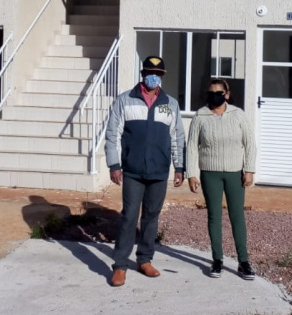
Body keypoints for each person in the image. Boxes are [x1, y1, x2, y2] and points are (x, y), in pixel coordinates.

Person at [104, 55, 186, 287]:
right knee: (129, 217)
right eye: (150, 73)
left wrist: (179, 167)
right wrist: (114, 165)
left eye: (158, 74)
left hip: (159, 171)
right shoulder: (125, 100)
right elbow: (113, 134)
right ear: (143, 74)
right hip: (132, 171)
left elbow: (177, 137)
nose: (154, 77)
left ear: (162, 77)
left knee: (151, 217)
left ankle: (144, 260)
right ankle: (120, 265)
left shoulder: (170, 104)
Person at [186, 78, 257, 280]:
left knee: (237, 217)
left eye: (219, 92)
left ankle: (243, 262)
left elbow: (250, 143)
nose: (214, 96)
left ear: (226, 93)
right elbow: (192, 146)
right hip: (210, 173)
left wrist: (249, 169)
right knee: (214, 217)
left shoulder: (238, 114)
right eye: (211, 92)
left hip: (235, 173)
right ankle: (217, 260)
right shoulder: (200, 116)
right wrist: (192, 173)